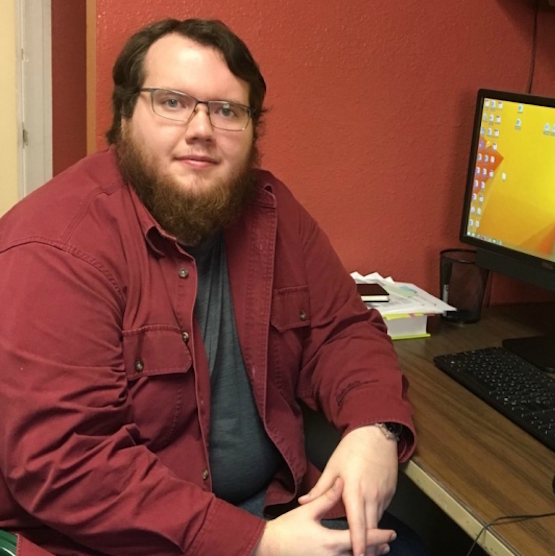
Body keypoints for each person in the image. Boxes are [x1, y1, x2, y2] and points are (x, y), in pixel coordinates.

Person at [0, 18, 426, 556]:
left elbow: (342, 329)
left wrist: (375, 430)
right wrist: (257, 544)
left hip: (267, 506)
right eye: (172, 102)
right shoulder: (57, 247)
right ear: (125, 114)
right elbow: (66, 464)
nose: (202, 128)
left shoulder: (270, 210)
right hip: (111, 542)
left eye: (227, 110)